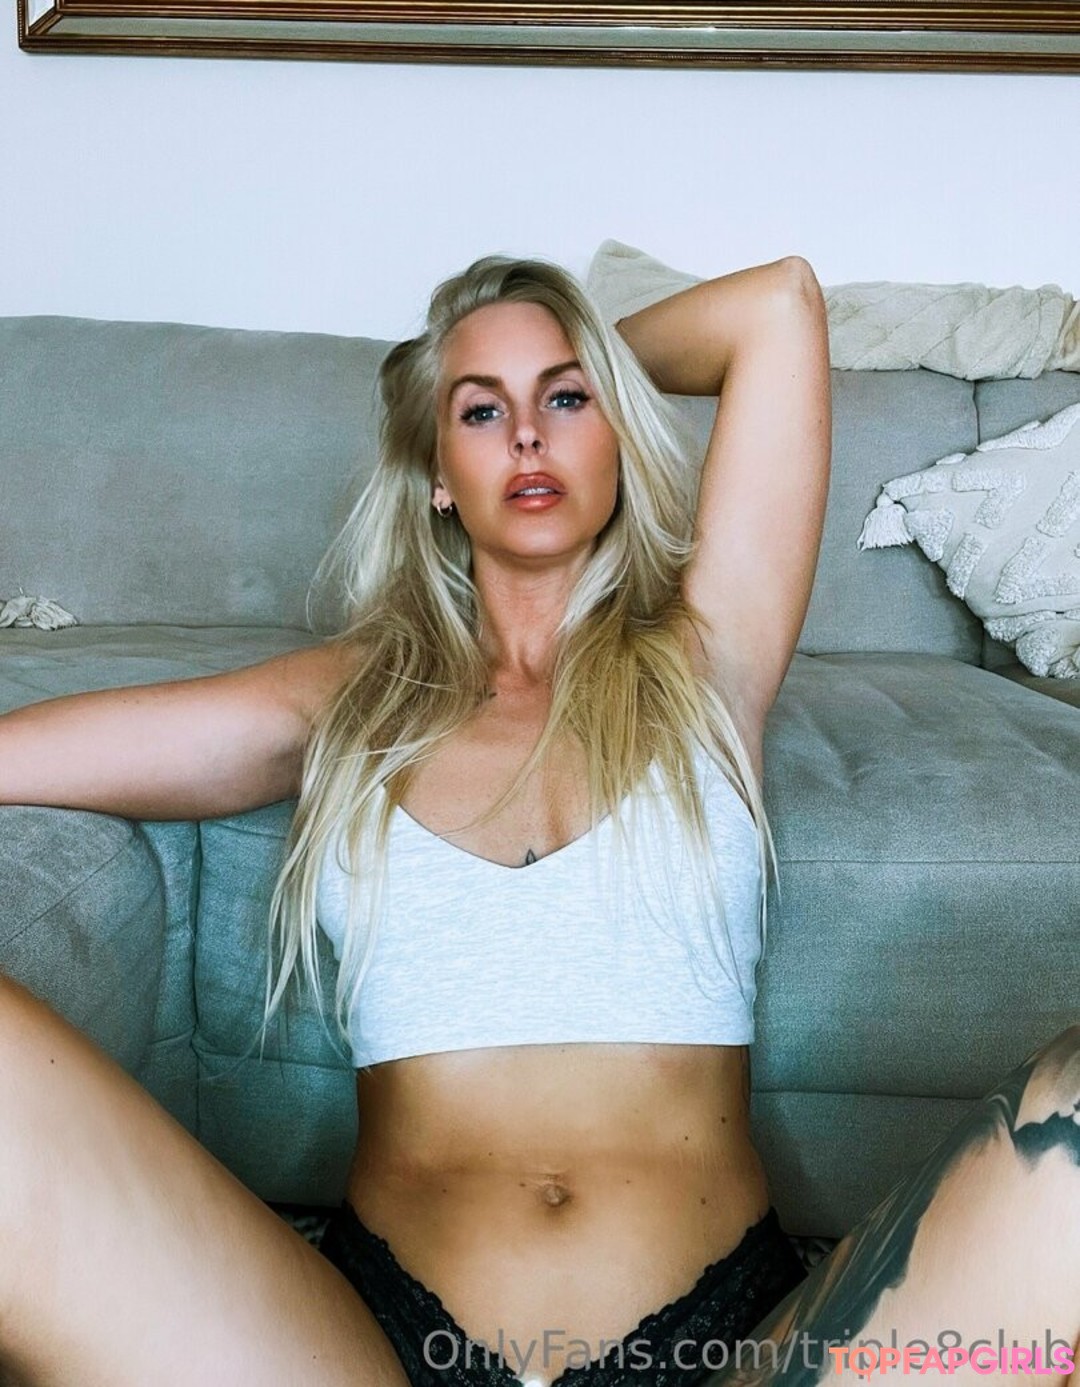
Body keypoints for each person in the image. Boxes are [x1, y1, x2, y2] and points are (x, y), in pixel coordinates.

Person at [0, 254, 1076, 1387]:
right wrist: (538, 388)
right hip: (377, 1353)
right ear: (437, 472)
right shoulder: (350, 696)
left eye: (565, 399)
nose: (526, 436)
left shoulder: (709, 660)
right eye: (480, 412)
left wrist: (573, 367)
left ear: (617, 434)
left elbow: (778, 306)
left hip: (717, 1350)